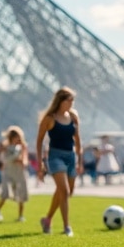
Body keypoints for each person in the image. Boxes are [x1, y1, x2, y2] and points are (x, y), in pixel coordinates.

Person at [36, 87, 82, 236]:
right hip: (55, 156)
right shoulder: (50, 118)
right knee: (65, 191)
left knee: (67, 192)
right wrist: (40, 163)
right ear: (61, 101)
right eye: (69, 100)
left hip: (71, 156)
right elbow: (39, 141)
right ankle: (67, 227)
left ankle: (47, 219)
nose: (71, 103)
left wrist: (80, 160)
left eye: (73, 100)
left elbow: (78, 139)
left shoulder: (74, 116)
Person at [0, 126, 29, 223]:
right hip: (8, 172)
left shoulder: (22, 147)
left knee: (21, 194)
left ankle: (20, 216)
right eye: (16, 136)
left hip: (19, 172)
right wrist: (14, 158)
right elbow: (4, 160)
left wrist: (22, 161)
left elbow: (25, 160)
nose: (18, 139)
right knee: (6, 194)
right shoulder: (6, 147)